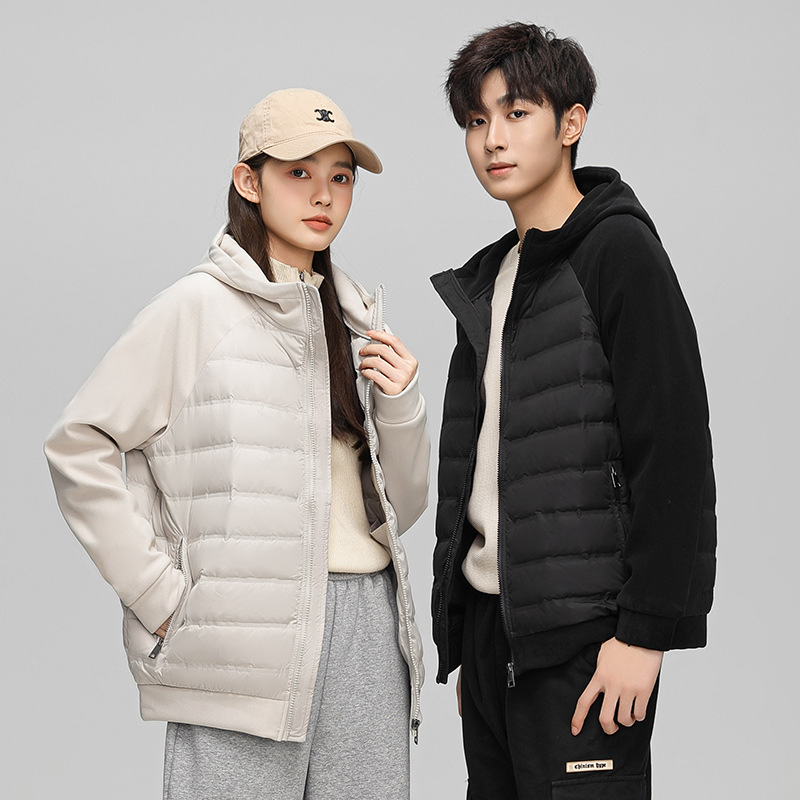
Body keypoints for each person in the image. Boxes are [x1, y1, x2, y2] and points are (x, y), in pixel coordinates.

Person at [45, 88, 429, 800]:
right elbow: (79, 442)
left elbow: (400, 512)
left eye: (341, 176)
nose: (324, 195)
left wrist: (402, 405)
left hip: (367, 627)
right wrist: (160, 596)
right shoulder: (196, 309)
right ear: (248, 181)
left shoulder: (355, 319)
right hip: (242, 643)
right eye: (298, 172)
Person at [430, 23, 716, 799]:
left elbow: (675, 452)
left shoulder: (618, 253)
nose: (493, 139)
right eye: (476, 120)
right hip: (497, 635)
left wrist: (645, 635)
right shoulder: (493, 280)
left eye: (516, 113)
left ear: (571, 122)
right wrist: (471, 641)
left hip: (587, 642)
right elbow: (483, 468)